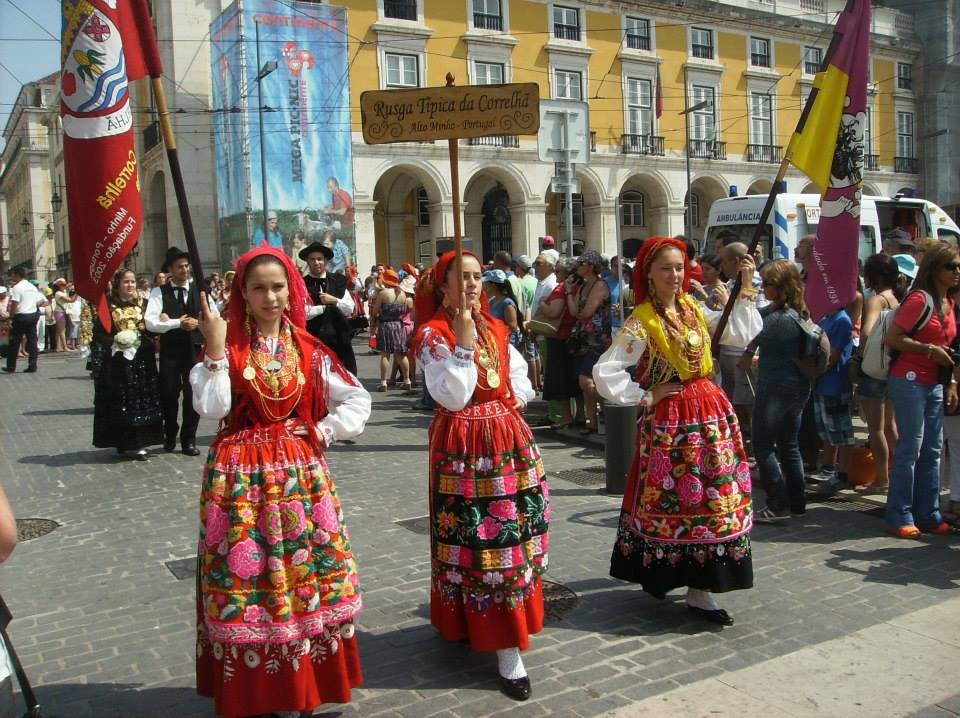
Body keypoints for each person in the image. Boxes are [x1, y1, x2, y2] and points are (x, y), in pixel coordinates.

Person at [191, 246, 370, 717]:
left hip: (298, 477)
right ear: (243, 295)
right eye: (258, 288)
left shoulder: (308, 349)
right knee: (252, 581)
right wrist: (212, 350)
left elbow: (356, 399)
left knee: (301, 574)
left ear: (290, 289)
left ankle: (301, 684)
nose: (270, 297)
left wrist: (324, 430)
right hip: (241, 484)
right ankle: (260, 687)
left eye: (277, 286)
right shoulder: (228, 347)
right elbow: (211, 408)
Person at [594, 236, 753, 626]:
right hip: (672, 425)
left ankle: (701, 589)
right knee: (675, 501)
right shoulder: (642, 320)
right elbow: (606, 370)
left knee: (710, 500)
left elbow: (736, 333)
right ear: (648, 273)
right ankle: (672, 575)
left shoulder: (691, 308)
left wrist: (743, 294)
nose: (675, 275)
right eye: (666, 268)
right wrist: (645, 395)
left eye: (680, 267)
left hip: (710, 416)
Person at [411, 250, 548, 701]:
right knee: (474, 540)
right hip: (462, 447)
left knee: (510, 539)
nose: (472, 285)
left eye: (476, 277)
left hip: (506, 439)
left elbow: (516, 374)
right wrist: (464, 344)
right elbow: (452, 395)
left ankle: (509, 646)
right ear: (442, 287)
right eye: (462, 278)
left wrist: (515, 402)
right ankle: (474, 627)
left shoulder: (495, 326)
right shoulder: (434, 334)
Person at [883, 242, 960, 538]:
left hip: (935, 382)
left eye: (958, 267)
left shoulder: (948, 303)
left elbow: (949, 349)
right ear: (935, 269)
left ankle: (928, 513)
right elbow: (893, 337)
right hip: (909, 379)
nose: (956, 272)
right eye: (950, 266)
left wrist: (951, 381)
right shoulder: (920, 299)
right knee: (911, 448)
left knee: (932, 449)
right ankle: (899, 513)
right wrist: (929, 351)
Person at [738, 260, 812, 522]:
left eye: (767, 284)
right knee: (789, 445)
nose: (764, 288)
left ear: (781, 287)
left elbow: (748, 328)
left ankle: (778, 503)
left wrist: (744, 292)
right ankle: (797, 501)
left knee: (763, 446)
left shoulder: (780, 320)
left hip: (776, 389)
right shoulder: (795, 312)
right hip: (794, 387)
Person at [92, 268, 162, 460]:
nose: (130, 285)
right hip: (118, 362)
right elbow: (99, 332)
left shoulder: (144, 304)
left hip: (142, 360)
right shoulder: (107, 307)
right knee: (121, 401)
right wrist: (116, 342)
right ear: (118, 284)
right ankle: (122, 441)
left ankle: (141, 442)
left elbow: (152, 328)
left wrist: (159, 324)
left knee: (141, 400)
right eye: (126, 282)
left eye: (132, 282)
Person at [145, 247, 205, 456]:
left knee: (193, 394)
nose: (185, 270)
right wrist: (175, 323)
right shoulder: (158, 292)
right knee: (169, 394)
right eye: (180, 266)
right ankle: (170, 433)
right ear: (170, 269)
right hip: (170, 350)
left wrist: (198, 323)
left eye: (187, 266)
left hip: (194, 349)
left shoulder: (200, 290)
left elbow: (213, 316)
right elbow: (150, 322)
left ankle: (189, 438)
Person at [852, 254, 902, 494]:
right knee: (891, 426)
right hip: (892, 367)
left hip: (873, 370)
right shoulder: (897, 299)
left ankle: (882, 480)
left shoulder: (876, 300)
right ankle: (898, 474)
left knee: (876, 429)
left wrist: (860, 355)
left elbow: (867, 332)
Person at [564, 250, 611, 434]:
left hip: (598, 339)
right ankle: (592, 422)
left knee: (586, 381)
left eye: (581, 264)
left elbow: (585, 313)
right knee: (583, 382)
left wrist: (578, 309)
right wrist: (569, 291)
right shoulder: (583, 286)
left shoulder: (599, 285)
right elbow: (574, 311)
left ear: (590, 266)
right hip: (583, 338)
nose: (578, 267)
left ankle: (611, 407)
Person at [301, 241, 358, 375]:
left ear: (326, 261)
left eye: (320, 259)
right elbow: (302, 312)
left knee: (342, 377)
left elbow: (349, 308)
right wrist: (323, 308)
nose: (316, 262)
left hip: (339, 339)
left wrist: (334, 301)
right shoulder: (302, 284)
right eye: (312, 259)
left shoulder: (338, 280)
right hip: (312, 338)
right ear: (308, 262)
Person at [540, 257, 580, 428]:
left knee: (560, 379)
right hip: (574, 337)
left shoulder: (562, 288)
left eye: (558, 271)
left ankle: (566, 416)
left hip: (559, 337)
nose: (555, 273)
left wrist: (542, 304)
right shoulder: (579, 287)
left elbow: (553, 312)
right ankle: (581, 415)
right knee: (574, 379)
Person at [371, 268, 412, 391]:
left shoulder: (383, 293)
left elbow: (375, 311)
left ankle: (383, 383)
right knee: (401, 354)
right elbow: (405, 310)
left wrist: (374, 320)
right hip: (399, 325)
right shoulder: (402, 294)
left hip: (385, 325)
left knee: (385, 354)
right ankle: (407, 380)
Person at [3, 267, 45, 374]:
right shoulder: (32, 287)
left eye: (13, 275)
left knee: (14, 341)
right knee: (32, 341)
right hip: (32, 315)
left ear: (18, 275)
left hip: (21, 316)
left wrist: (11, 317)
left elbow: (14, 304)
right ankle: (32, 366)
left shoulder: (17, 287)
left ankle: (11, 366)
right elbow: (38, 302)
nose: (12, 277)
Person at [482, 269, 522, 350]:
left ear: (492, 285)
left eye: (486, 284)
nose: (484, 286)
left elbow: (513, 326)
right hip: (496, 340)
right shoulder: (492, 301)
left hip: (507, 343)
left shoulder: (507, 303)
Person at [53, 278, 77, 352]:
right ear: (59, 286)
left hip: (60, 312)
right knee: (62, 330)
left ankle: (58, 347)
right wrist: (77, 293)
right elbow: (71, 300)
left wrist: (73, 282)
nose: (64, 285)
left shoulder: (62, 291)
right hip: (60, 312)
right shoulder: (58, 293)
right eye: (62, 284)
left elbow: (67, 286)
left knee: (58, 331)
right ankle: (65, 347)